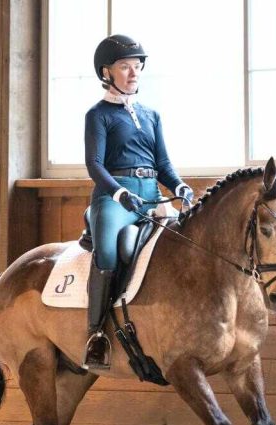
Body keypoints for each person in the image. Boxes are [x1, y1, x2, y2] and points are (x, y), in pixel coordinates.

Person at [83, 34, 194, 370]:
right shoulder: (98, 115)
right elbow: (95, 164)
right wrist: (119, 193)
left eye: (136, 67)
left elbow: (164, 164)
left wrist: (180, 185)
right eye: (124, 67)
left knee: (185, 242)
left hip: (151, 195)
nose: (133, 73)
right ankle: (96, 336)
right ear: (107, 72)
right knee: (109, 254)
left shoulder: (151, 115)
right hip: (115, 197)